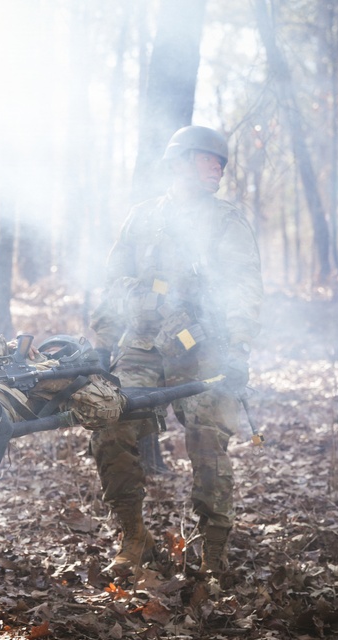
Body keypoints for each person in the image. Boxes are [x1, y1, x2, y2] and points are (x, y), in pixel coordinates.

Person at [89, 125, 263, 578]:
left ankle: (213, 549)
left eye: (222, 163)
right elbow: (110, 284)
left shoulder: (227, 222)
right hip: (144, 344)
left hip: (204, 348)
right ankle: (133, 537)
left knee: (208, 437)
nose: (219, 168)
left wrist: (239, 348)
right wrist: (101, 347)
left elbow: (244, 289)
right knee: (110, 423)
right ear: (181, 161)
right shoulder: (143, 218)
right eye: (209, 159)